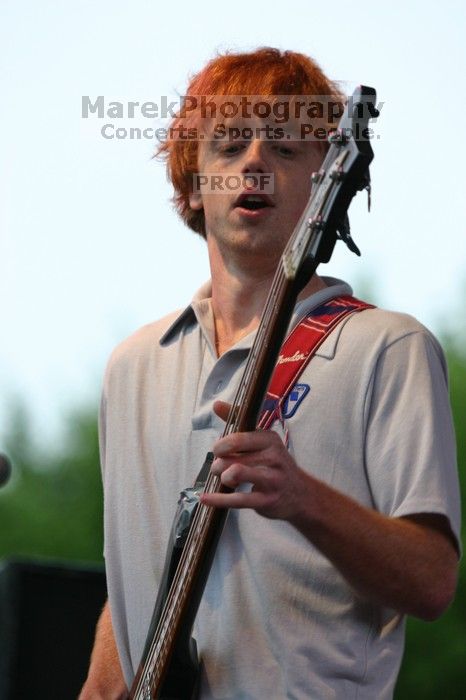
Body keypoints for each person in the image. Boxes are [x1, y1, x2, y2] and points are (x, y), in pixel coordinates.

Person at [80, 48, 461, 700]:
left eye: (286, 151)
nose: (255, 162)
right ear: (195, 186)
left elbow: (431, 581)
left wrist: (302, 498)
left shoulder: (387, 347)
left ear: (325, 186)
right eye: (229, 147)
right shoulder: (132, 368)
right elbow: (140, 583)